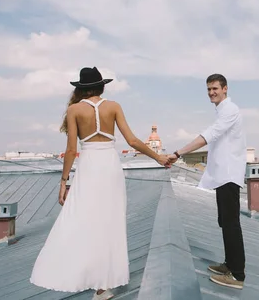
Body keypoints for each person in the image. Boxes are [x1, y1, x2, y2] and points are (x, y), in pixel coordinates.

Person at [30, 67, 171, 300]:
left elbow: (71, 150)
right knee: (110, 221)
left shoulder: (73, 109)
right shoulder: (114, 106)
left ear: (80, 88)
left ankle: (90, 276)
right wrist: (158, 157)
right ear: (102, 86)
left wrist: (63, 182)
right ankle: (103, 286)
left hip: (88, 166)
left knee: (86, 220)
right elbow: (133, 140)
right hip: (110, 165)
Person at [167, 73, 246, 290]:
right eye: (209, 89)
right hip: (223, 175)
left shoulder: (230, 110)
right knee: (225, 221)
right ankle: (229, 264)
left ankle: (237, 275)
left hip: (229, 175)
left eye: (215, 89)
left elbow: (209, 135)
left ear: (225, 89)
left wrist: (178, 152)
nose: (212, 93)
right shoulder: (223, 111)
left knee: (230, 224)